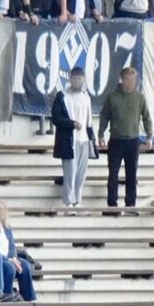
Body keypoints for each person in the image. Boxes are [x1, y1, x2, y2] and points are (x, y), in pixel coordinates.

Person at [97, 65, 152, 208]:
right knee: (113, 174)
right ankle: (112, 204)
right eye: (128, 79)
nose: (131, 82)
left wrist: (149, 136)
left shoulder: (139, 98)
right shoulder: (112, 97)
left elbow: (146, 117)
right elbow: (104, 116)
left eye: (133, 79)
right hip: (116, 139)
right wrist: (101, 134)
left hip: (133, 141)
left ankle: (130, 204)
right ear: (122, 79)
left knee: (131, 175)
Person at [50, 66, 94, 207]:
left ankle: (78, 200)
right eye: (75, 78)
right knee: (70, 172)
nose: (77, 81)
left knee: (81, 173)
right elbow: (56, 118)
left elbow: (89, 120)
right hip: (70, 140)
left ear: (84, 79)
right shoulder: (62, 96)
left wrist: (91, 138)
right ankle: (69, 201)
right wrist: (71, 124)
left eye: (80, 78)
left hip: (84, 140)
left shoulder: (86, 97)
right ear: (69, 78)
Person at [0, 199, 35, 303]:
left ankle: (29, 298)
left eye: (2, 210)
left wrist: (13, 258)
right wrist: (10, 260)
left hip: (9, 258)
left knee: (25, 265)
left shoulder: (7, 228)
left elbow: (12, 247)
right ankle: (6, 296)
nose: (0, 212)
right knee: (9, 267)